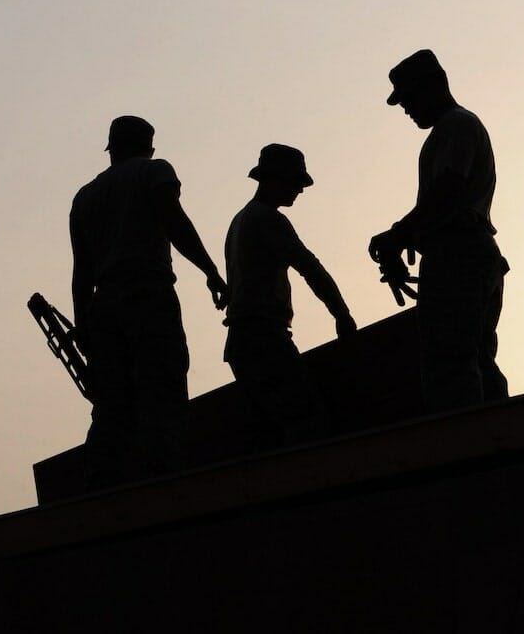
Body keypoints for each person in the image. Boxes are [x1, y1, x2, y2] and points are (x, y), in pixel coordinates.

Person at [70, 115, 228, 490]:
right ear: (148, 147)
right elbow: (176, 224)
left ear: (112, 150)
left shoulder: (84, 197)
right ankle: (165, 483)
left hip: (103, 309)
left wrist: (82, 327)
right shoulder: (155, 171)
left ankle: (101, 488)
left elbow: (81, 273)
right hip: (148, 298)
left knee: (111, 405)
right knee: (162, 390)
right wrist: (211, 271)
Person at [369, 49, 509, 413]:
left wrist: (398, 235)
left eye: (409, 99)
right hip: (468, 256)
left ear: (433, 86)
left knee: (452, 368)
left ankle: (469, 450)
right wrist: (407, 241)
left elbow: (447, 192)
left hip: (459, 259)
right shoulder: (452, 130)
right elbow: (444, 206)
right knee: (476, 362)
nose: (406, 109)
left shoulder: (456, 125)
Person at [224, 144, 356, 447]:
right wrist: (342, 314)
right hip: (263, 338)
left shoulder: (239, 221)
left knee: (270, 430)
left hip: (243, 341)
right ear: (275, 179)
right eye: (295, 182)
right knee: (306, 419)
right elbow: (310, 268)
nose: (300, 190)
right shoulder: (268, 219)